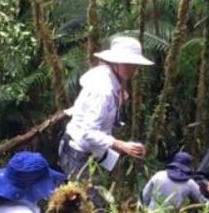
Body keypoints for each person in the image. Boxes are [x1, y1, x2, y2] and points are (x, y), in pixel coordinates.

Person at [58, 35, 154, 178]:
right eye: (126, 63)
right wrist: (121, 145)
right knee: (89, 199)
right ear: (115, 62)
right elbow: (88, 132)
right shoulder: (103, 89)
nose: (132, 68)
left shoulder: (114, 83)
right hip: (77, 152)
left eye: (134, 64)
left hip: (92, 152)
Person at [141, 151, 207, 212]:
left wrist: (146, 209)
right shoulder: (190, 183)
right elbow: (202, 201)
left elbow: (145, 196)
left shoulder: (158, 175)